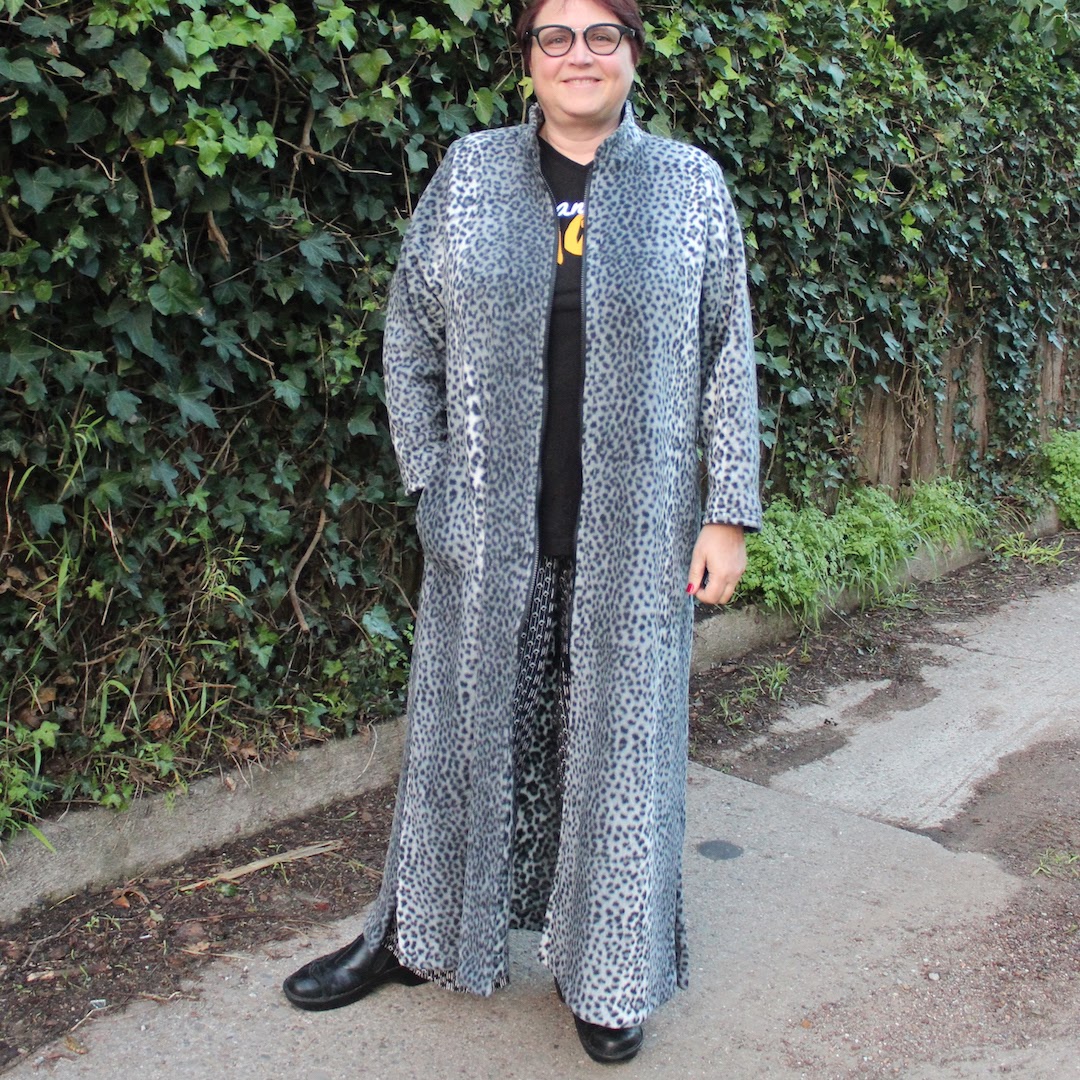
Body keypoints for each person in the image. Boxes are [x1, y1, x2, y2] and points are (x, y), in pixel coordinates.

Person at [282, 0, 761, 1064]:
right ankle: (414, 933)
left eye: (601, 36)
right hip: (488, 526)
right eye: (556, 36)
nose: (578, 55)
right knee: (455, 738)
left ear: (632, 52)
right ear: (528, 58)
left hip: (638, 534)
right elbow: (409, 332)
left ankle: (611, 974)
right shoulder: (471, 174)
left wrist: (728, 512)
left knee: (622, 755)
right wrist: (432, 482)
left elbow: (728, 355)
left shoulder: (689, 185)